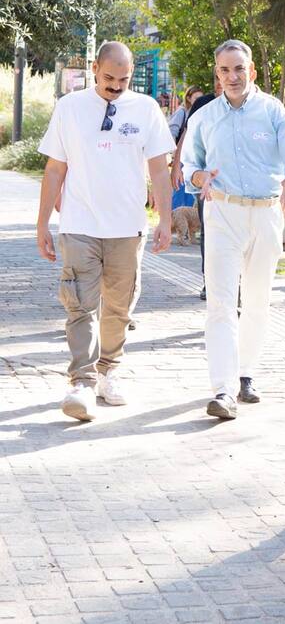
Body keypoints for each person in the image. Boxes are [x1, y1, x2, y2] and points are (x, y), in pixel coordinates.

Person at [36, 41, 175, 421]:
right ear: (95, 68)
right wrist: (42, 223)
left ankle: (109, 370)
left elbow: (159, 168)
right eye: (109, 77)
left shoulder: (146, 109)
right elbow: (55, 169)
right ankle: (81, 381)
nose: (115, 85)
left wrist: (164, 220)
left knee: (118, 305)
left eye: (123, 79)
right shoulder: (70, 108)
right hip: (79, 223)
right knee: (80, 303)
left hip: (127, 227)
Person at [181, 39, 285, 419]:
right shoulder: (204, 117)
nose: (232, 76)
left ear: (251, 71)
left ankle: (246, 374)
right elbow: (190, 166)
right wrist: (200, 177)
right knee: (220, 303)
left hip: (266, 214)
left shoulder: (273, 112)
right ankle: (222, 390)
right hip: (223, 213)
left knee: (257, 300)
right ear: (217, 74)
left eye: (239, 69)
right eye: (224, 70)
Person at [172, 77, 222, 299]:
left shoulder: (253, 106)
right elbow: (187, 135)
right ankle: (209, 281)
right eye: (218, 76)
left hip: (238, 189)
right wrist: (177, 166)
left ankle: (237, 283)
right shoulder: (204, 104)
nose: (221, 82)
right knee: (209, 232)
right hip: (205, 183)